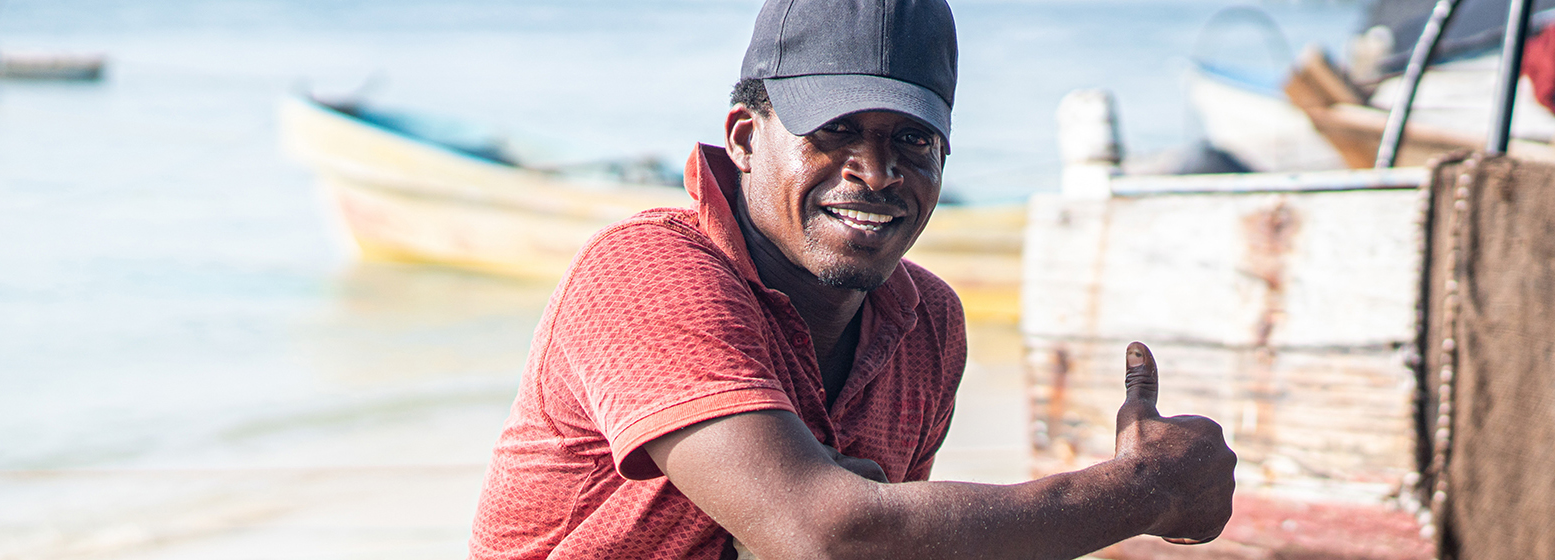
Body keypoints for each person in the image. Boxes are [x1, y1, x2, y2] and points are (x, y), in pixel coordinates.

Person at [469, 0, 1236, 558]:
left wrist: (880, 521)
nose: (875, 173)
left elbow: (885, 542)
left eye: (911, 139)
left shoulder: (930, 320)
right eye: (835, 131)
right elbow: (827, 535)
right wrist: (1145, 491)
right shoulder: (647, 273)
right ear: (745, 138)